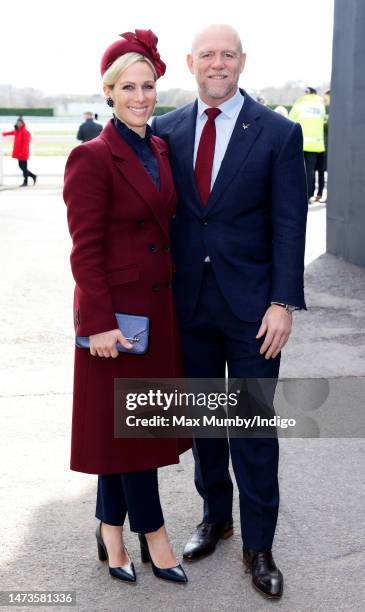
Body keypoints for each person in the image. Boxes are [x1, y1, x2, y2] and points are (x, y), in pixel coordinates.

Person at [152, 24, 308, 599]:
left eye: (228, 55)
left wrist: (283, 302)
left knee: (251, 427)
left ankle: (259, 545)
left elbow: (291, 224)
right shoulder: (164, 131)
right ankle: (216, 518)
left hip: (253, 312)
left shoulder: (277, 132)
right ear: (190, 63)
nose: (218, 63)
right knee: (205, 423)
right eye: (208, 55)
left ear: (242, 62)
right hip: (186, 305)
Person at [63, 29, 190, 585]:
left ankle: (109, 530)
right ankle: (154, 536)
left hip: (156, 312)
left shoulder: (159, 147)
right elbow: (84, 250)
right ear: (109, 93)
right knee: (135, 429)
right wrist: (99, 325)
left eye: (149, 86)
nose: (141, 96)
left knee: (126, 427)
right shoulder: (90, 157)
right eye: (129, 87)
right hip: (115, 318)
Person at [289, 87, 326, 203]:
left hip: (301, 143)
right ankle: (309, 195)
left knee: (297, 170)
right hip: (317, 144)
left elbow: (290, 119)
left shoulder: (301, 102)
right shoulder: (321, 103)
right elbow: (323, 120)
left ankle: (299, 195)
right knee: (311, 172)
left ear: (307, 93)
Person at [2, 117, 37, 186]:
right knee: (22, 167)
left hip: (23, 153)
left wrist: (22, 153)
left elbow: (26, 144)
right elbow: (11, 132)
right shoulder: (17, 131)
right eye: (17, 123)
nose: (18, 124)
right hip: (19, 153)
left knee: (23, 167)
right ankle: (33, 176)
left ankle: (26, 181)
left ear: (22, 123)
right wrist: (4, 133)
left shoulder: (25, 132)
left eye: (19, 123)